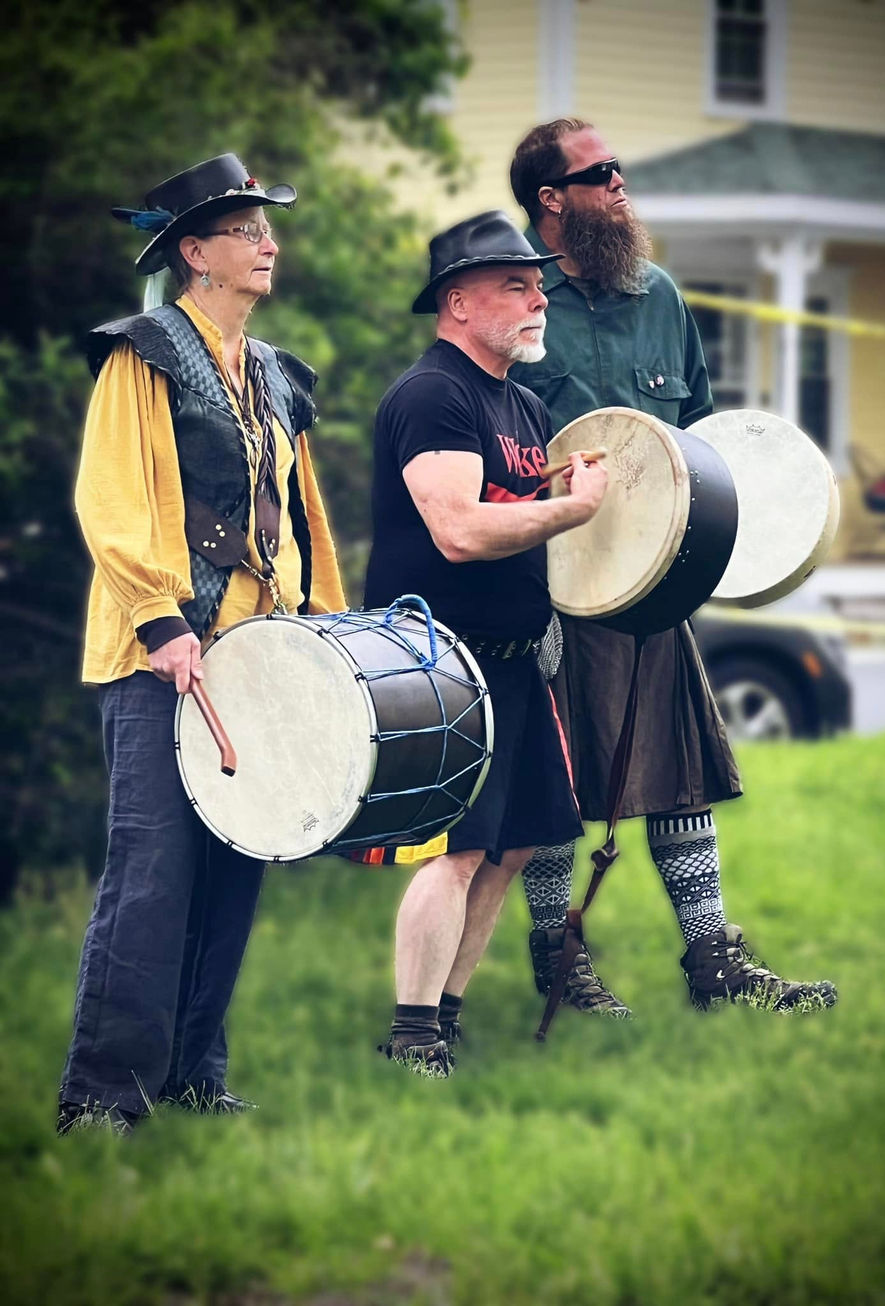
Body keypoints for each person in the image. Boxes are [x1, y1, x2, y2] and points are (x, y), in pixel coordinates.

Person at [508, 120, 837, 1015]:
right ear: (552, 200)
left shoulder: (659, 296)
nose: (621, 185)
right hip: (555, 583)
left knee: (679, 769)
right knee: (559, 782)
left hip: (657, 580)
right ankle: (557, 955)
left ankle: (713, 964)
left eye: (621, 169)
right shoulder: (519, 302)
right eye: (600, 173)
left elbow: (702, 438)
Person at [58, 154, 347, 1134]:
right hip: (162, 661)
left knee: (233, 872)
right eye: (246, 229)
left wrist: (320, 630)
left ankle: (192, 1075)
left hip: (258, 662)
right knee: (152, 877)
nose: (269, 242)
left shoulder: (274, 374)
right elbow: (111, 499)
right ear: (194, 252)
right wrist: (160, 620)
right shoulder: (142, 353)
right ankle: (103, 1098)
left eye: (267, 227)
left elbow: (300, 520)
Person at [363, 210, 607, 1076]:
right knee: (461, 851)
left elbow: (530, 517)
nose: (539, 297)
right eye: (517, 284)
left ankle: (447, 1015)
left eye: (538, 284)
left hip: (511, 660)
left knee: (515, 848)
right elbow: (461, 531)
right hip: (440, 662)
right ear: (457, 301)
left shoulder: (526, 404)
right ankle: (412, 1035)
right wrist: (573, 508)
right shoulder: (435, 393)